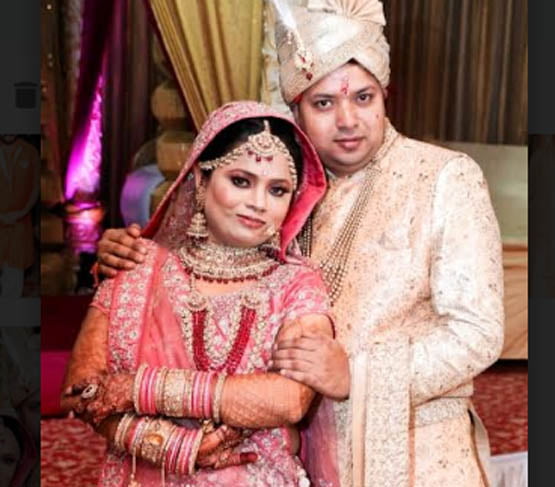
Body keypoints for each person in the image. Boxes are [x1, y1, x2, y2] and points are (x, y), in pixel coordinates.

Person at [97, 1, 505, 485]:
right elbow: (203, 266)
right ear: (296, 110)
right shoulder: (281, 188)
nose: (347, 120)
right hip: (299, 453)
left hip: (417, 454)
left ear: (384, 95)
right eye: (324, 103)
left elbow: (478, 332)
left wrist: (356, 374)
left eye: (363, 97)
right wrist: (131, 255)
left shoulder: (443, 177)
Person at [61, 101, 337, 486]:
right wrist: (173, 446)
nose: (258, 203)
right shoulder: (137, 263)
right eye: (240, 181)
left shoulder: (296, 284)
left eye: (277, 190)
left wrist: (138, 388)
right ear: (201, 181)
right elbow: (79, 392)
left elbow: (290, 399)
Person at [0, 135, 39, 298]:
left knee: (14, 277)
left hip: (19, 225)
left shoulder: (30, 152)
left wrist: (21, 213)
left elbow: (35, 187)